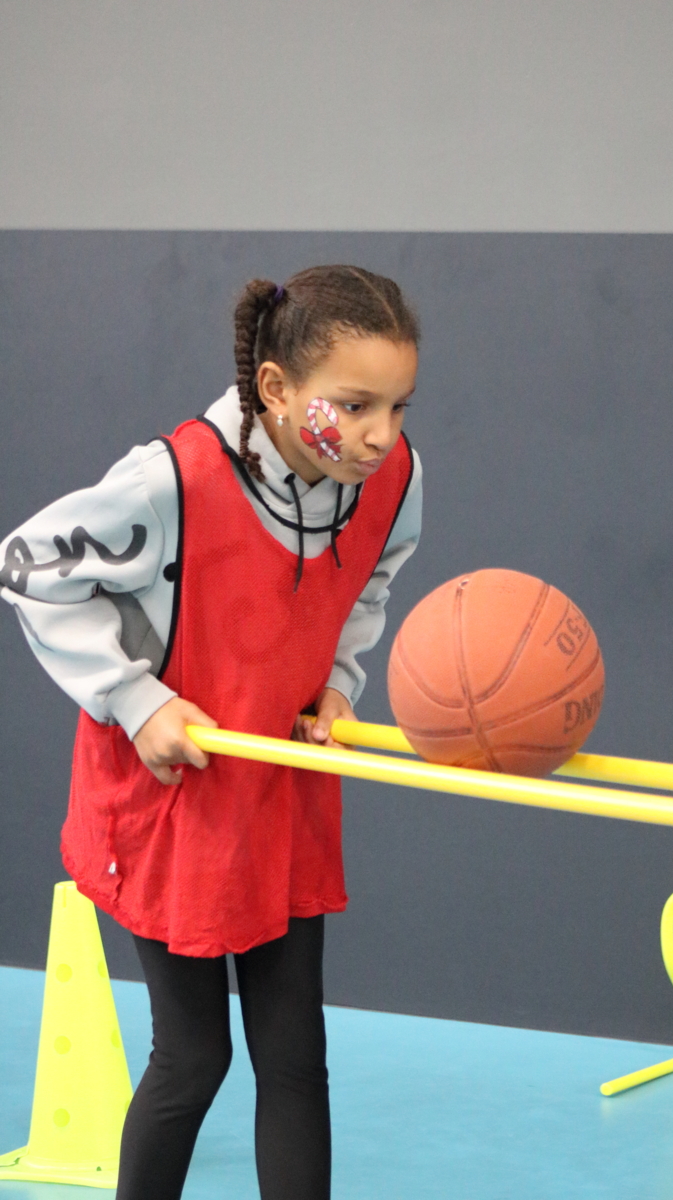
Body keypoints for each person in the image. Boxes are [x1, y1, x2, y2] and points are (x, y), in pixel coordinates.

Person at [0, 265, 422, 1199]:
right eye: (355, 405)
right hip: (175, 795)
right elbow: (27, 568)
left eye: (399, 405)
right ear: (275, 388)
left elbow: (370, 580)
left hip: (279, 786)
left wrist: (339, 684)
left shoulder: (390, 478)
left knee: (295, 1054)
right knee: (194, 1057)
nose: (382, 434)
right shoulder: (175, 480)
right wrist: (135, 699)